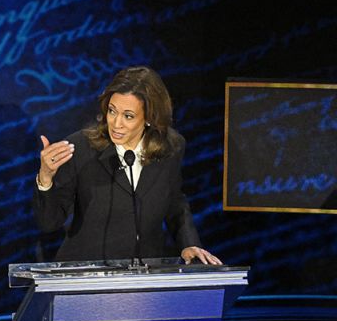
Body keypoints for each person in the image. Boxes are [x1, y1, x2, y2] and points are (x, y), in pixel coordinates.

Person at [33, 65, 221, 265]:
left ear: (149, 117)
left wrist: (188, 243)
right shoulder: (80, 147)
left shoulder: (171, 147)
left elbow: (174, 200)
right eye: (112, 111)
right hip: (87, 275)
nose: (116, 124)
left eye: (128, 116)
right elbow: (49, 222)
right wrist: (45, 177)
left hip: (144, 276)